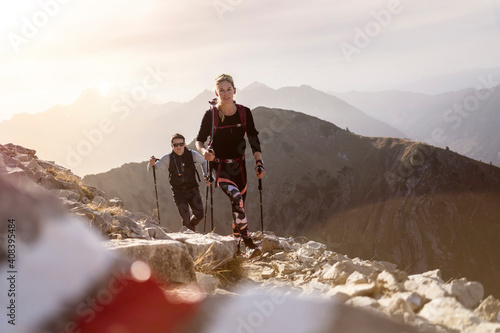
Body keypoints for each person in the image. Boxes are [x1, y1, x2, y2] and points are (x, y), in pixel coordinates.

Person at [196, 74, 266, 257]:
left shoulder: (244, 112)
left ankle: (235, 246)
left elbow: (253, 139)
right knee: (236, 199)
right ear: (216, 93)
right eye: (221, 90)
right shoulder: (210, 115)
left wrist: (259, 162)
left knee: (239, 205)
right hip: (219, 167)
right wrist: (204, 152)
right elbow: (200, 140)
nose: (225, 94)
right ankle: (249, 243)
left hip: (239, 166)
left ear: (234, 91)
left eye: (229, 90)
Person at [148, 133, 209, 232]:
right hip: (179, 193)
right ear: (172, 146)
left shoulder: (192, 155)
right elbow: (153, 169)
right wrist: (151, 164)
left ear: (184, 144)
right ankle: (190, 236)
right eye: (176, 145)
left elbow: (204, 161)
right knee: (185, 218)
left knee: (200, 214)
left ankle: (190, 227)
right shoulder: (167, 158)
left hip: (193, 190)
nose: (179, 147)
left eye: (181, 144)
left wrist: (206, 175)